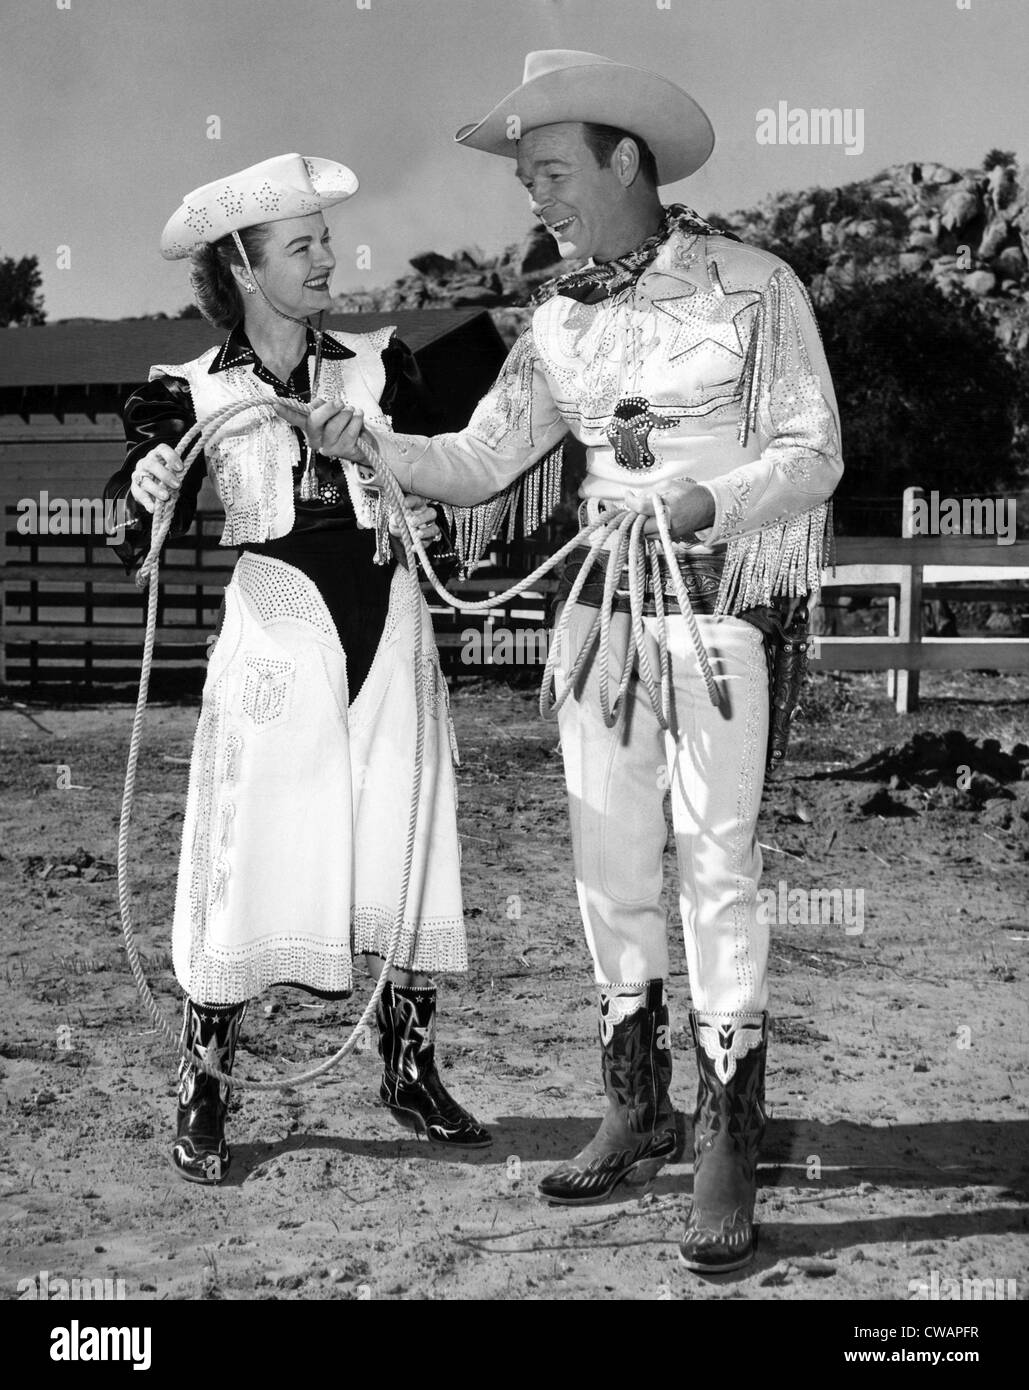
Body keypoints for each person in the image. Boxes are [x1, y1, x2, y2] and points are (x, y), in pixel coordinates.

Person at [284, 55, 844, 1274]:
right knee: (605, 867)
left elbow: (813, 453)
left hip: (715, 618)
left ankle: (729, 1137)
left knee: (717, 865)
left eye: (550, 170)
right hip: (598, 624)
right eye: (526, 176)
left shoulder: (757, 289)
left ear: (624, 159)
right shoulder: (556, 320)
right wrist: (368, 442)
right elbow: (483, 461)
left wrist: (700, 502)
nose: (535, 196)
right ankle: (636, 1103)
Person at [105, 153, 490, 1185]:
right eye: (303, 244)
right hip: (280, 630)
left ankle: (410, 1068)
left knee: (408, 833)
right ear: (242, 263)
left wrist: (374, 454)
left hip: (390, 621)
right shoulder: (191, 391)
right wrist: (145, 488)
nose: (329, 258)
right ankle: (206, 1083)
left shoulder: (379, 362)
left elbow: (441, 488)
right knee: (247, 839)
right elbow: (140, 515)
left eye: (327, 238)